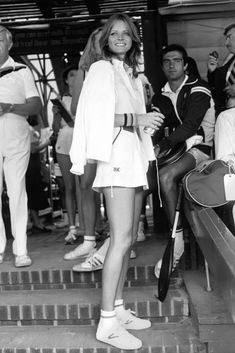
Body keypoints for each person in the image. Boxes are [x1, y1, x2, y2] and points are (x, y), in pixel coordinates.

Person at [69, 13, 164, 350]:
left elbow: (130, 118)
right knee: (120, 240)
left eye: (127, 33)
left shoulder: (130, 73)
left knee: (126, 240)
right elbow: (93, 117)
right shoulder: (101, 69)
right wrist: (136, 118)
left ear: (133, 40)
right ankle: (107, 323)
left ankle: (119, 309)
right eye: (115, 33)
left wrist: (145, 123)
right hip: (115, 162)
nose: (121, 38)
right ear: (106, 38)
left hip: (133, 160)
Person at [152, 44, 213, 278]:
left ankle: (176, 242)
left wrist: (163, 144)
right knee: (143, 180)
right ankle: (121, 238)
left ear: (185, 64)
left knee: (166, 176)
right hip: (177, 150)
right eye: (166, 61)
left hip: (201, 149)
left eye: (176, 60)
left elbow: (190, 125)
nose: (171, 65)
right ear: (162, 66)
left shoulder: (199, 88)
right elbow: (158, 125)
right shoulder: (161, 94)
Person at [0, 25, 41, 267]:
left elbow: (35, 105)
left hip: (16, 138)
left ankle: (21, 250)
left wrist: (10, 108)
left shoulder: (21, 70)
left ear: (9, 44)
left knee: (17, 192)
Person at [64, 27, 106, 261]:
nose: (103, 43)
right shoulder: (85, 68)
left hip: (117, 134)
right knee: (86, 185)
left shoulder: (122, 67)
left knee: (116, 187)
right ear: (92, 44)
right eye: (98, 40)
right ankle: (89, 241)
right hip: (92, 134)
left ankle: (119, 241)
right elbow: (74, 107)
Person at [52, 65, 85, 244]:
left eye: (77, 74)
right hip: (64, 142)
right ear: (66, 80)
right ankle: (71, 226)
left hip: (81, 142)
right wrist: (56, 115)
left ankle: (87, 226)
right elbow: (56, 129)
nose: (74, 77)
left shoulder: (85, 97)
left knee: (83, 186)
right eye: (71, 75)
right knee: (69, 186)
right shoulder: (60, 100)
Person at [26, 115, 52, 232]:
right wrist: (47, 142)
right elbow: (33, 149)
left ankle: (34, 220)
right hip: (31, 163)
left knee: (33, 191)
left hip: (33, 163)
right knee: (33, 192)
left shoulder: (28, 128)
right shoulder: (28, 129)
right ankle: (36, 221)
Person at [207, 23, 235, 117]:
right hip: (227, 115)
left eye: (229, 37)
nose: (226, 44)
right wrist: (213, 71)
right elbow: (217, 86)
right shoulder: (231, 59)